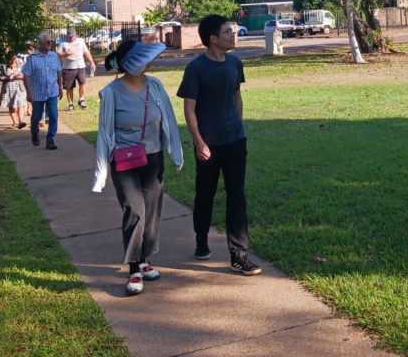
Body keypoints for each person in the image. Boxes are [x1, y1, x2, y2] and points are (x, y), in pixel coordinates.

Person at [93, 40, 184, 296]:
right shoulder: (110, 93)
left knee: (152, 211)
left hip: (152, 159)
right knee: (134, 210)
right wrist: (100, 171)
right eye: (143, 58)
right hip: (124, 161)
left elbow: (168, 119)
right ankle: (133, 268)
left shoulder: (154, 85)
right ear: (131, 63)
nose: (150, 61)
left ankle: (145, 260)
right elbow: (104, 133)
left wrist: (175, 152)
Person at [178, 15, 261, 276]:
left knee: (237, 195)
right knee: (206, 193)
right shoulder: (196, 68)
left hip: (235, 141)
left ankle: (239, 254)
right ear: (213, 38)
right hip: (209, 145)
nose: (233, 34)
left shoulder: (235, 64)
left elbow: (237, 97)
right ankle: (201, 239)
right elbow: (189, 109)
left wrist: (239, 127)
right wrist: (199, 141)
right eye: (228, 31)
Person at [22, 33, 63, 149]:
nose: (50, 44)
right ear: (40, 44)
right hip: (37, 93)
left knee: (53, 115)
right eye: (48, 42)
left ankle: (50, 140)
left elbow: (59, 72)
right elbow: (25, 75)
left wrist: (60, 87)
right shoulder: (32, 57)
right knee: (36, 117)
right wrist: (29, 93)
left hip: (52, 91)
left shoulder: (54, 56)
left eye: (51, 41)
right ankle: (34, 133)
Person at [57, 28, 96, 111]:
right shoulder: (63, 43)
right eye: (69, 37)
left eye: (72, 36)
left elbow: (86, 52)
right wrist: (67, 53)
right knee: (69, 87)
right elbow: (58, 55)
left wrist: (91, 62)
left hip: (80, 66)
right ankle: (71, 104)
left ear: (76, 35)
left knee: (82, 83)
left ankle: (81, 99)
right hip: (68, 68)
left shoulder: (81, 41)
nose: (71, 38)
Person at [0, 56, 28, 129]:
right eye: (12, 59)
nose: (14, 60)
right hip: (8, 88)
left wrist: (21, 77)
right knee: (11, 105)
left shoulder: (21, 65)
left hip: (19, 88)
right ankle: (14, 123)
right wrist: (7, 78)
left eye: (15, 59)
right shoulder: (3, 66)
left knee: (20, 105)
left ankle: (21, 122)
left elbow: (27, 75)